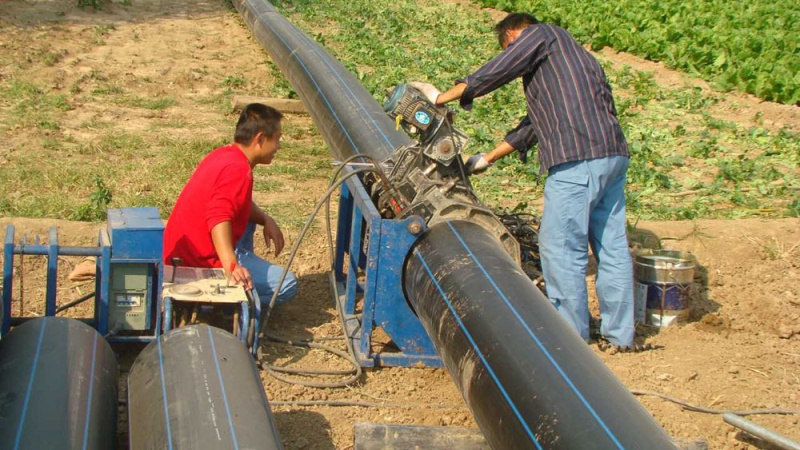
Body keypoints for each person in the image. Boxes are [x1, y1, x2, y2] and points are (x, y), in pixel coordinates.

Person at [409, 13, 637, 350]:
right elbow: (534, 125)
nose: (513, 53)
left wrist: (441, 97)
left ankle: (571, 342)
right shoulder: (576, 62)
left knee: (561, 248)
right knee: (612, 248)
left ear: (514, 33)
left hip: (578, 159)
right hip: (612, 157)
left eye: (509, 46)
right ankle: (621, 337)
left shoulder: (543, 35)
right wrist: (488, 158)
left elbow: (500, 68)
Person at [163, 103, 297, 309]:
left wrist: (265, 219)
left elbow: (236, 202)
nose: (278, 147)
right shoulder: (238, 170)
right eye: (277, 139)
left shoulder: (225, 154)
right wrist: (231, 265)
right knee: (286, 284)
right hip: (197, 262)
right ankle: (228, 304)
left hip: (183, 250)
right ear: (260, 139)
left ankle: (241, 269)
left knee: (247, 219)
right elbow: (218, 216)